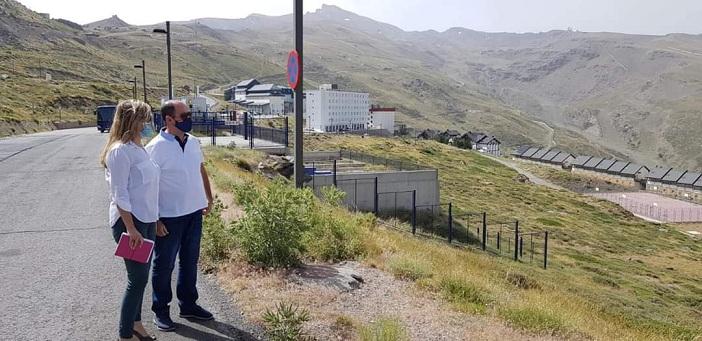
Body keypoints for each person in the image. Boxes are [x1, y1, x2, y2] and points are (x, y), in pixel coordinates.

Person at [146, 100, 214, 332]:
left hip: (194, 213)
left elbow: (200, 169)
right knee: (164, 265)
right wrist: (155, 218)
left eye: (189, 114)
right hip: (169, 218)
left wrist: (209, 198)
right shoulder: (154, 148)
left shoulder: (194, 142)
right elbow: (148, 186)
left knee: (189, 261)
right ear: (168, 119)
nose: (189, 118)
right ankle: (161, 311)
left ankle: (188, 305)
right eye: (184, 115)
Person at [99, 100, 158, 341]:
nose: (148, 125)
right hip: (130, 223)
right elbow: (119, 193)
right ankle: (126, 333)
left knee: (141, 278)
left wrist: (156, 221)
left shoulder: (138, 148)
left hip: (147, 220)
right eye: (144, 120)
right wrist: (132, 229)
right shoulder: (119, 151)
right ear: (133, 121)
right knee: (137, 279)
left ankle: (136, 325)